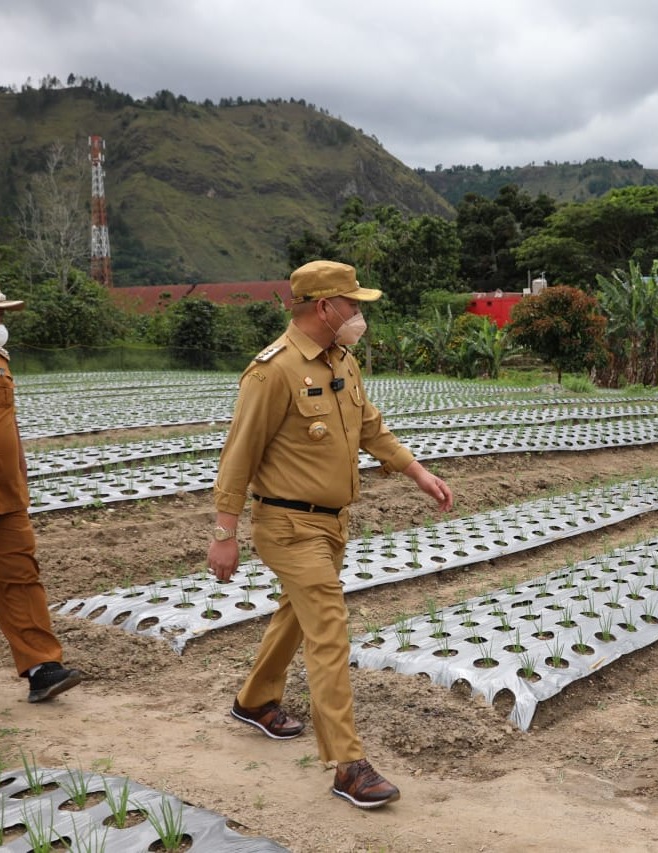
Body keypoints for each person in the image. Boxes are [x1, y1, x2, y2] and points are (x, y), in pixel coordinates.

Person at [208, 259, 453, 809]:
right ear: (325, 308)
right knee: (328, 631)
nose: (360, 314)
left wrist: (416, 471)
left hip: (332, 522)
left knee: (296, 615)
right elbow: (238, 455)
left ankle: (254, 701)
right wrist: (225, 531)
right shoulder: (272, 372)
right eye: (354, 304)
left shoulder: (343, 360)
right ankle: (348, 764)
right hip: (288, 525)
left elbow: (369, 425)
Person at [0, 281, 85, 703]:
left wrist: (22, 475)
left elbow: (7, 425)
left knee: (21, 579)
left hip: (5, 496)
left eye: (0, 313)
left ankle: (42, 667)